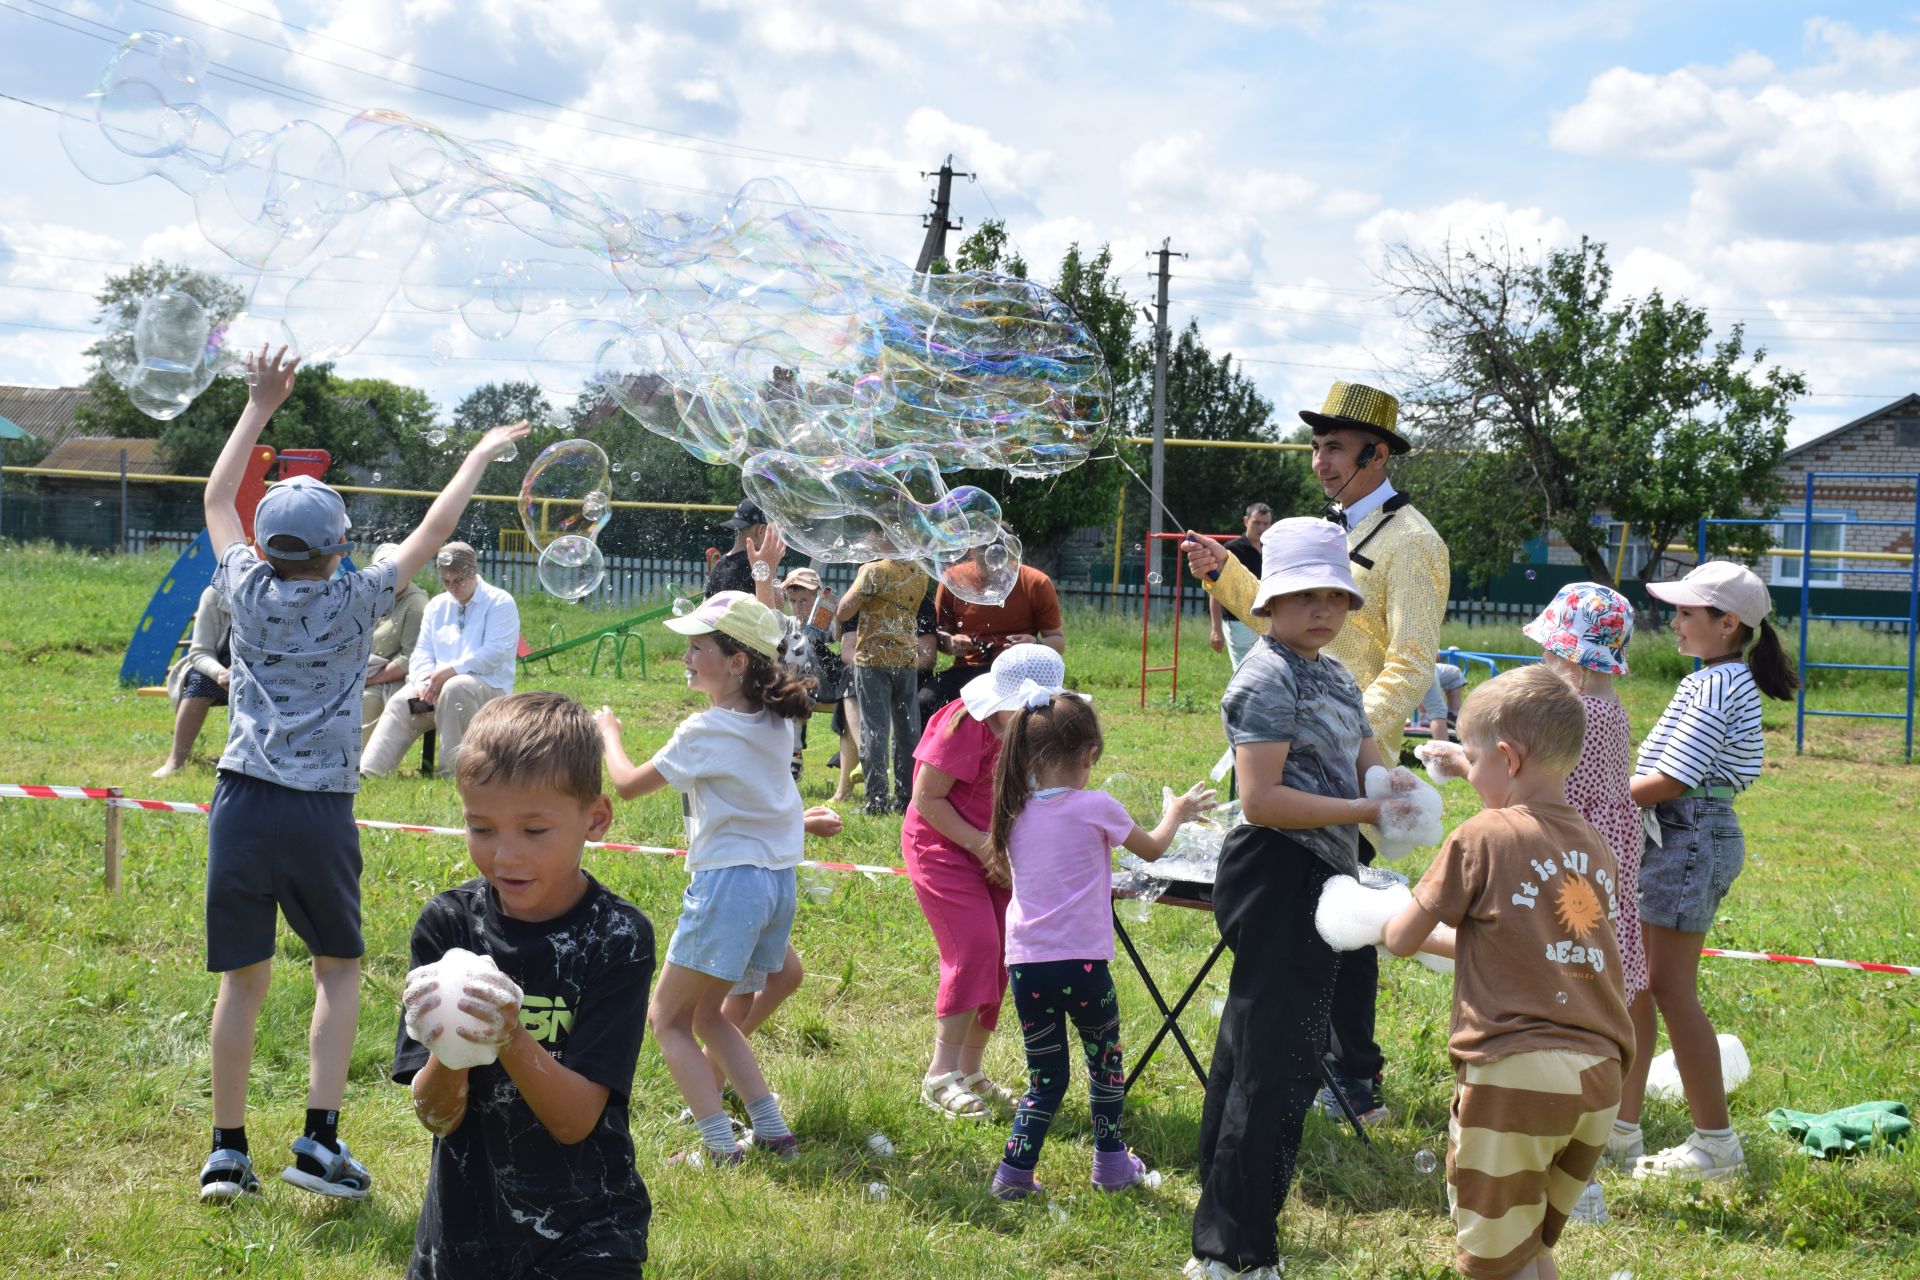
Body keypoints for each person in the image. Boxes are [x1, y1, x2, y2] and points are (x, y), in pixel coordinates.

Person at [195, 343, 525, 1204]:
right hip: (317, 813)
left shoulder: (243, 587)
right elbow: (435, 530)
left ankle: (227, 1153)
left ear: (267, 548)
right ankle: (317, 1141)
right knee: (337, 969)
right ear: (341, 546)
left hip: (238, 800)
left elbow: (214, 501)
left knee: (242, 980)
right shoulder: (359, 597)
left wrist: (260, 405)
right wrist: (479, 456)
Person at [1182, 380, 1449, 1125]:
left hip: (1352, 761)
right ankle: (1302, 1057)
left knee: (1348, 912)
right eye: (1317, 446)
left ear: (1378, 452)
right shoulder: (1328, 529)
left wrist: (1343, 730)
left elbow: (1412, 660)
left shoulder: (1415, 541)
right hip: (1292, 747)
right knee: (1305, 912)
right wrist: (1224, 574)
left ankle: (1355, 1077)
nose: (1320, 462)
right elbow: (1284, 619)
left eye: (1334, 447)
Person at [1382, 664, 1635, 1280]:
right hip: (1600, 1077)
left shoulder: (1479, 838)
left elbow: (1400, 937)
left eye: (1474, 759)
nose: (1470, 772)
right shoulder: (1593, 843)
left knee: (1496, 1262)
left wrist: (1370, 913)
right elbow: (1534, 938)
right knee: (1530, 1248)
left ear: (1507, 757)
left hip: (1517, 1074)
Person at [1185, 518, 1388, 1280]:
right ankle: (1234, 1253)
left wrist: (1396, 792)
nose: (1324, 611)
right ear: (1269, 601)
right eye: (1305, 596)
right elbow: (1263, 800)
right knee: (1277, 1063)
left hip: (1321, 870)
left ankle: (1220, 1204)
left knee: (1254, 1047)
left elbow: (1367, 768)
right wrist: (1366, 813)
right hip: (1276, 869)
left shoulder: (1336, 675)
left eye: (1335, 596)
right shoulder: (1264, 677)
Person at [395, 692, 655, 1279]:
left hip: (587, 1233)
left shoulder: (617, 937)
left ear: (596, 818)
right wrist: (450, 1042)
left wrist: (507, 1032)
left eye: (534, 829)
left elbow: (574, 1121)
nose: (505, 854)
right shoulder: (449, 926)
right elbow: (436, 1117)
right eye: (480, 827)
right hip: (464, 1232)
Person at [1423, 584, 1644, 1225]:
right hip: (1596, 859)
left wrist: (1463, 763)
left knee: (1551, 971)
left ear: (1566, 654)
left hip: (1557, 864)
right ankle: (1584, 1163)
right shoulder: (1611, 706)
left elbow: (1528, 790)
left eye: (1549, 649)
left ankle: (1577, 1183)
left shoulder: (1571, 711)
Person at [596, 591, 810, 1165]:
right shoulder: (775, 721)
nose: (686, 657)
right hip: (774, 886)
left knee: (668, 1020)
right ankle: (772, 1131)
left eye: (698, 647)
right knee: (710, 1016)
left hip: (728, 887)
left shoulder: (703, 730)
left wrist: (608, 733)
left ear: (737, 662)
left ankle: (719, 1147)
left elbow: (627, 784)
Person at [984, 690, 1214, 1200]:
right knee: (1105, 1065)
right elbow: (1152, 850)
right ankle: (1111, 1165)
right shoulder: (1096, 807)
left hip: (1026, 967)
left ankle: (1013, 1175)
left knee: (1045, 1079)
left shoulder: (1013, 813)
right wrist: (1176, 811)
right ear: (1089, 756)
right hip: (1084, 967)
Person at [1617, 561, 1798, 1182]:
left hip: (1688, 837)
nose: (1675, 622)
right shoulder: (1717, 679)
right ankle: (1621, 1127)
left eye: (1687, 613)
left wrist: (1592, 799)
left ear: (1728, 624)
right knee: (1638, 983)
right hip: (1683, 835)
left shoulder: (1716, 685)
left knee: (1668, 989)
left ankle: (1715, 1145)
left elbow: (1672, 779)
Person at [904, 643, 1066, 1120]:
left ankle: (970, 1071)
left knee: (1002, 956)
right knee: (973, 948)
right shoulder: (963, 723)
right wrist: (981, 846)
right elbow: (926, 800)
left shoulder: (1037, 730)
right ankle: (939, 1075)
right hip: (942, 847)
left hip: (995, 851)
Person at [360, 542, 520, 778]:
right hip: (434, 698)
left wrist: (451, 672)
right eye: (446, 581)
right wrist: (423, 683)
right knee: (401, 703)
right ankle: (368, 773)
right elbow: (422, 652)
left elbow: (495, 653)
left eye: (458, 581)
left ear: (473, 572)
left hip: (488, 695)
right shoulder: (437, 605)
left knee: (456, 689)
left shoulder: (500, 602)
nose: (452, 587)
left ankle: (453, 774)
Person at [838, 556, 932, 814]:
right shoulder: (919, 572)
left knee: (875, 730)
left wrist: (860, 577)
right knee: (907, 731)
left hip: (872, 661)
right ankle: (906, 799)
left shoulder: (873, 571)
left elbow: (843, 611)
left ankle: (876, 800)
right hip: (905, 661)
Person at [925, 559, 1065, 717]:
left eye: (995, 547)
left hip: (1020, 674)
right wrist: (952, 643)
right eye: (982, 546)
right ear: (970, 547)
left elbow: (1057, 640)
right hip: (968, 669)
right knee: (926, 701)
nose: (988, 554)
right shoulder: (953, 580)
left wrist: (1035, 643)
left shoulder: (1035, 582)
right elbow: (939, 637)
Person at [777, 566, 858, 801]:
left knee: (806, 642)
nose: (798, 606)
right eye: (793, 600)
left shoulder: (828, 623)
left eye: (804, 600)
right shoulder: (789, 623)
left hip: (828, 683)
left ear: (818, 597)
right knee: (793, 644)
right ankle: (793, 756)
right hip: (798, 688)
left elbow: (841, 641)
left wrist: (837, 616)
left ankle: (794, 756)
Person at [153, 585, 232, 778]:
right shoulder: (214, 595)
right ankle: (175, 761)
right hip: (219, 670)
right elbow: (199, 653)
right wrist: (220, 673)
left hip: (268, 669)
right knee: (200, 681)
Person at [361, 542, 429, 746]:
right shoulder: (369, 596)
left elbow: (411, 658)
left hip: (396, 679)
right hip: (365, 673)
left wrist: (370, 680)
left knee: (366, 698)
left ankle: (357, 761)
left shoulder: (416, 604)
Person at [1207, 502, 1272, 670]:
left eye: (1266, 523)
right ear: (1246, 521)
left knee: (1268, 671)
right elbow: (1216, 591)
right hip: (1239, 623)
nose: (1261, 528)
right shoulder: (1230, 550)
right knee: (1245, 672)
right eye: (1256, 523)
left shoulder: (1272, 549)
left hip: (1269, 621)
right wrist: (1215, 629)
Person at [705, 499, 780, 599]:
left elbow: (706, 602)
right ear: (761, 531)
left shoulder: (719, 565)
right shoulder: (756, 564)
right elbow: (778, 603)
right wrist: (772, 567)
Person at [1415, 661, 1467, 741]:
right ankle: (1442, 751)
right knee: (1438, 710)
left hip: (1422, 664)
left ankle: (1453, 715)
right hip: (1417, 667)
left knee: (1454, 673)